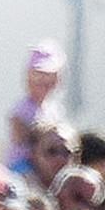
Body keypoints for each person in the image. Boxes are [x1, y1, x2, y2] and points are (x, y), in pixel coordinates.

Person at [6, 41, 66, 175]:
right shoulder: (21, 109)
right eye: (38, 74)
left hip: (46, 170)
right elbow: (19, 138)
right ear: (28, 77)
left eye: (49, 75)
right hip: (23, 169)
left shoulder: (54, 109)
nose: (44, 81)